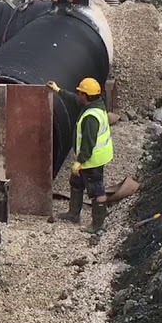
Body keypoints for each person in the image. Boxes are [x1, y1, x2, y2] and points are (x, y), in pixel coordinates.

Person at [46, 77, 113, 233]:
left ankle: (98, 224)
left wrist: (80, 162)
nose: (79, 94)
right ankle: (73, 214)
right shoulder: (95, 104)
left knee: (96, 191)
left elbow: (88, 144)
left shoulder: (91, 117)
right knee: (76, 183)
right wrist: (58, 90)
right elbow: (75, 101)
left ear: (86, 95)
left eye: (81, 92)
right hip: (89, 158)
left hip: (92, 160)